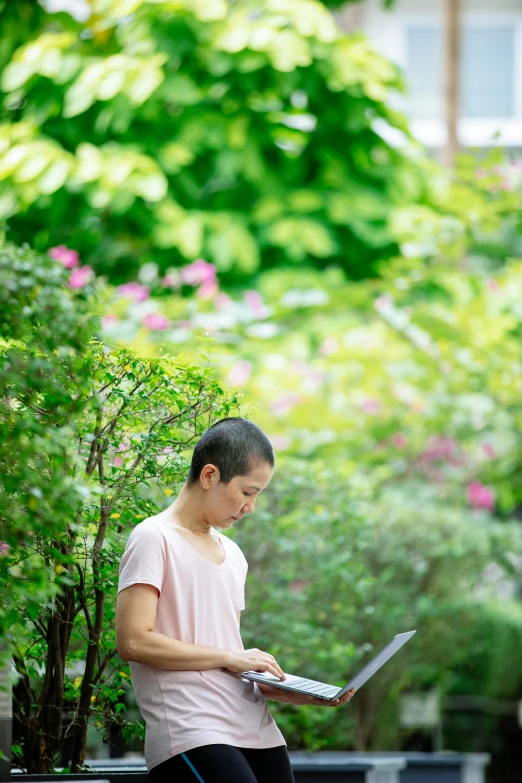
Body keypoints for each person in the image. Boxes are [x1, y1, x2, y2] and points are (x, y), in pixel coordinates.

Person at [115, 417, 355, 782]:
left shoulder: (234, 555)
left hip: (254, 728)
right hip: (191, 731)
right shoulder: (154, 538)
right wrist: (231, 656)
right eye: (247, 492)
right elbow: (133, 641)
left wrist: (296, 691)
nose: (251, 507)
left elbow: (229, 662)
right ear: (209, 476)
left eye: (258, 495)